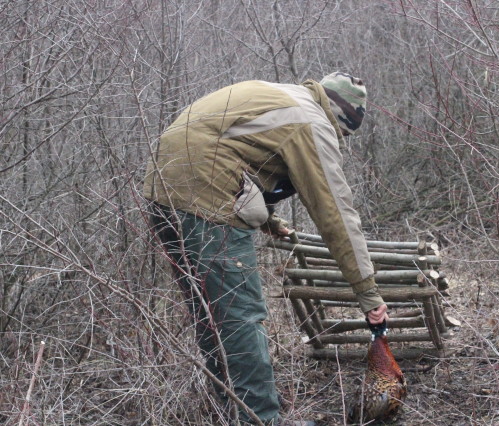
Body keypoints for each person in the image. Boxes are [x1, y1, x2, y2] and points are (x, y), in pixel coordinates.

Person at [143, 72, 388, 425]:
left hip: (164, 191)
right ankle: (259, 420)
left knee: (211, 314)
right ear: (339, 117)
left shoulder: (284, 97)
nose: (338, 140)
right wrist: (367, 291)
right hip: (205, 197)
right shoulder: (311, 121)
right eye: (342, 135)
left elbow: (236, 150)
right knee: (240, 316)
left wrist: (268, 219)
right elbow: (335, 211)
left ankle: (232, 413)